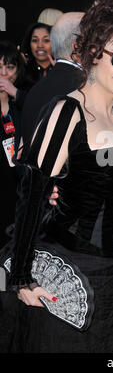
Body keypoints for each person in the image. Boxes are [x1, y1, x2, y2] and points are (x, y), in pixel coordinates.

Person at [0, 0, 113, 353]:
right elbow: (32, 193)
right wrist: (21, 277)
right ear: (94, 52)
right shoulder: (66, 111)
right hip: (72, 266)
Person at [20, 12, 84, 146]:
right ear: (77, 45)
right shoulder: (83, 89)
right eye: (95, 40)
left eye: (46, 40)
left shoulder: (36, 91)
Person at [0, 41, 31, 249]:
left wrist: (14, 93)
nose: (3, 73)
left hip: (18, 190)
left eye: (9, 67)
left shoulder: (24, 102)